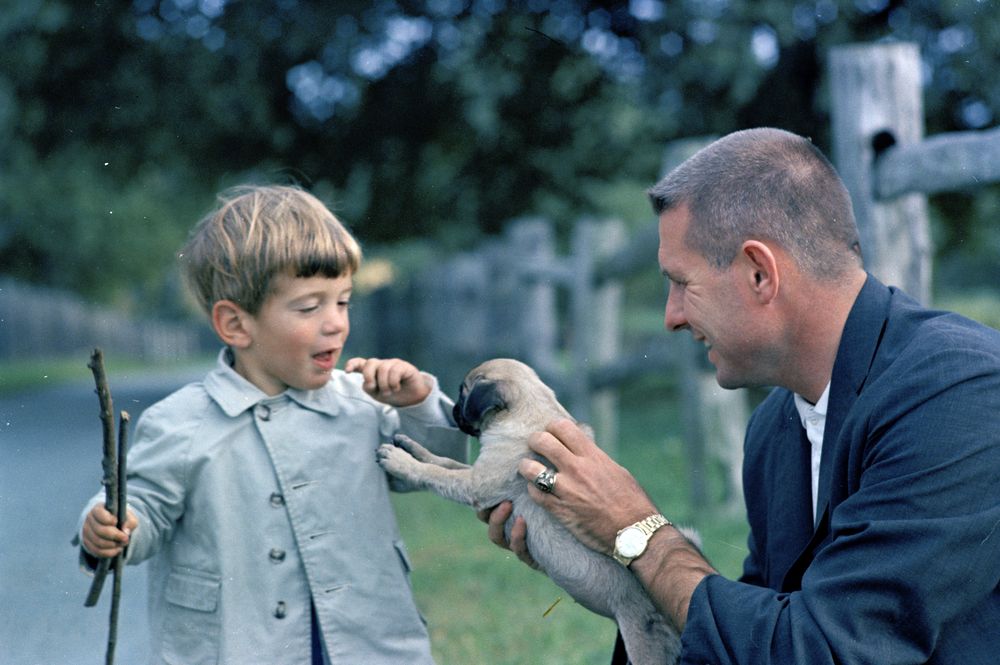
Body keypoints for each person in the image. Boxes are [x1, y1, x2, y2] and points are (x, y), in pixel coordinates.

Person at [487, 127, 1000, 664]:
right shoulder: (778, 425)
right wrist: (609, 557)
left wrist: (638, 530)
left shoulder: (958, 395)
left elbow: (825, 651)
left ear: (760, 274)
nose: (672, 316)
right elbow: (756, 636)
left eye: (682, 282)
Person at [76, 184, 467, 665]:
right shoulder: (182, 423)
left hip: (367, 641)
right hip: (239, 646)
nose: (336, 324)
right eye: (309, 307)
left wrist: (418, 404)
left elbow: (439, 467)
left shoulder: (360, 403)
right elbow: (143, 507)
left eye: (342, 301)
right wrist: (111, 525)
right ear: (236, 325)